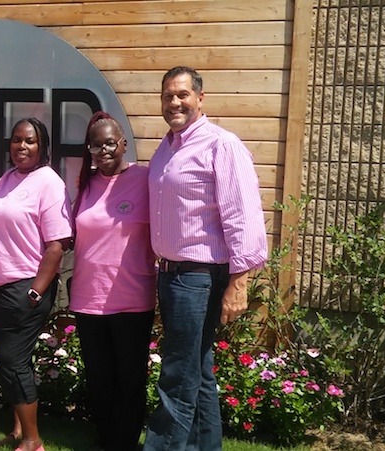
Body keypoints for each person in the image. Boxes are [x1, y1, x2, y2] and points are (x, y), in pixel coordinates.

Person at [143, 66, 268, 451]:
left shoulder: (220, 145)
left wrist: (239, 283)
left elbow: (242, 215)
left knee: (178, 374)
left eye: (182, 94)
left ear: (200, 98)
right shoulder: (166, 148)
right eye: (167, 96)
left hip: (197, 279)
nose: (174, 102)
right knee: (197, 371)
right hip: (172, 276)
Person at [0, 118, 72, 451]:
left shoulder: (48, 182)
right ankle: (19, 428)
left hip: (26, 287)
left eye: (29, 141)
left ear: (42, 146)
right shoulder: (7, 179)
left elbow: (57, 243)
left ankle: (33, 441)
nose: (21, 146)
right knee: (12, 361)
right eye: (16, 140)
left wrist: (36, 289)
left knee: (12, 361)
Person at [69, 111, 156, 451]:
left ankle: (125, 441)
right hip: (89, 299)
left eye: (109, 143)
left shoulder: (144, 179)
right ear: (89, 150)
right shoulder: (84, 185)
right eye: (96, 145)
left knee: (130, 378)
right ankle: (106, 438)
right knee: (100, 378)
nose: (103, 150)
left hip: (132, 298)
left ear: (123, 144)